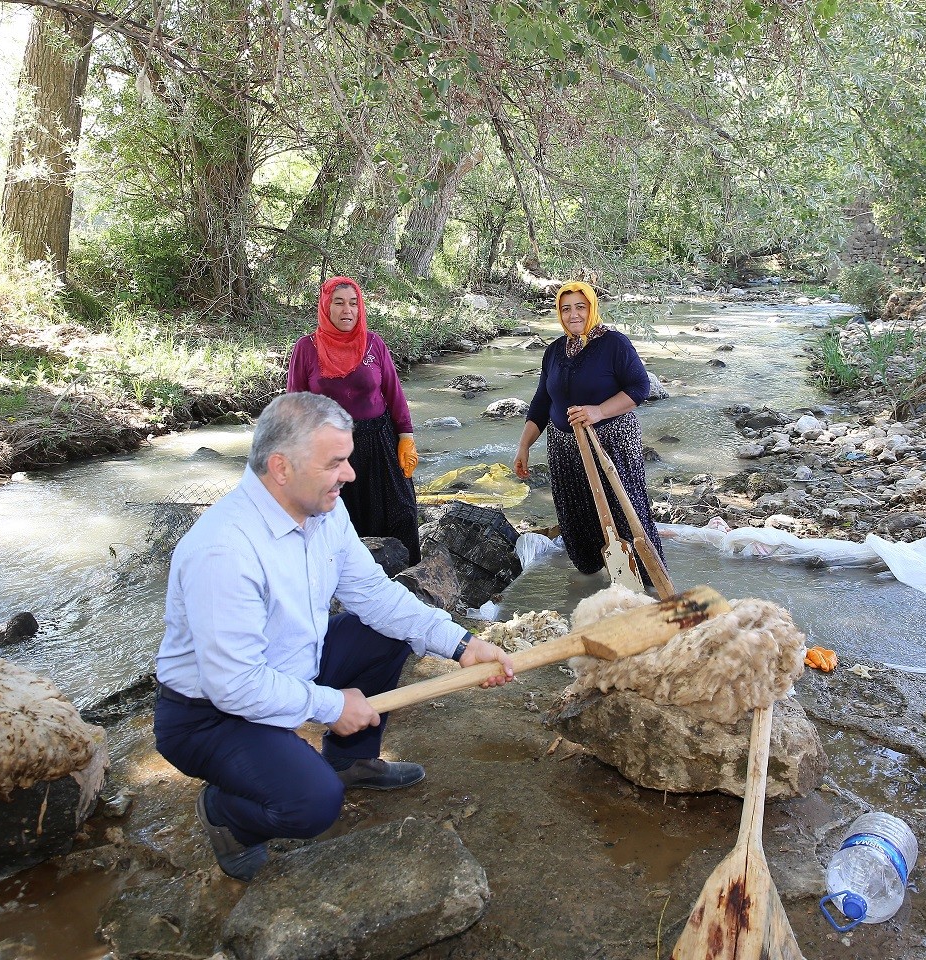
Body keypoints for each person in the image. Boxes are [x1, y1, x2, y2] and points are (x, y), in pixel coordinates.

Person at [154, 392, 515, 881]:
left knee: (390, 632)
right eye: (336, 463)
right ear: (281, 468)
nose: (350, 474)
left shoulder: (325, 511)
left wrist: (461, 645)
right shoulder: (223, 551)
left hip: (291, 665)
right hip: (211, 715)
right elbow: (234, 685)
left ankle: (351, 761)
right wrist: (331, 706)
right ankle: (226, 815)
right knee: (314, 804)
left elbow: (376, 596)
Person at [513, 281, 665, 579]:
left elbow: (639, 387)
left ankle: (646, 582)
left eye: (580, 307)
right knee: (576, 517)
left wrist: (598, 411)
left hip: (611, 441)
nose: (573, 315)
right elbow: (543, 400)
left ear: (592, 308)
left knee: (625, 512)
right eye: (565, 308)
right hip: (564, 448)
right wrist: (524, 446)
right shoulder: (555, 351)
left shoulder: (614, 344)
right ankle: (592, 581)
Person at [288, 276, 422, 564]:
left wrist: (406, 436)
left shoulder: (373, 344)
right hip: (329, 450)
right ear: (326, 306)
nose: (347, 310)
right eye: (339, 303)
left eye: (353, 303)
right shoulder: (306, 348)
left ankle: (408, 585)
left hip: (379, 442)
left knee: (402, 512)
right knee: (340, 521)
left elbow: (394, 393)